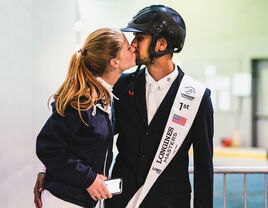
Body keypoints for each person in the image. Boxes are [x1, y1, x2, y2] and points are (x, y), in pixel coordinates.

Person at [34, 5, 214, 208]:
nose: (134, 44)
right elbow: (80, 137)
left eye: (140, 38)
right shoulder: (119, 86)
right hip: (121, 200)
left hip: (169, 202)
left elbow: (203, 166)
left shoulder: (197, 97)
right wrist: (48, 170)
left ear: (161, 44)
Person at [35, 27, 136, 208]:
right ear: (114, 61)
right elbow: (48, 147)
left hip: (82, 199)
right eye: (128, 47)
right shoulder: (80, 101)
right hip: (63, 200)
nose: (134, 48)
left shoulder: (106, 97)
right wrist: (88, 179)